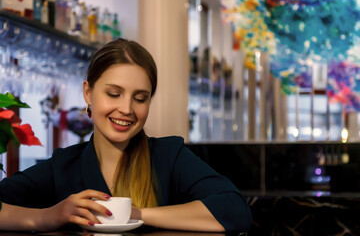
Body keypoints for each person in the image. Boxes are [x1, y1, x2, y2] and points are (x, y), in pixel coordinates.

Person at [0, 38, 252, 232]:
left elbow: (234, 210)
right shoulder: (62, 166)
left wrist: (135, 214)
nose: (127, 109)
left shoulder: (168, 156)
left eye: (140, 98)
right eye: (113, 94)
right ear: (88, 93)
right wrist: (50, 216)